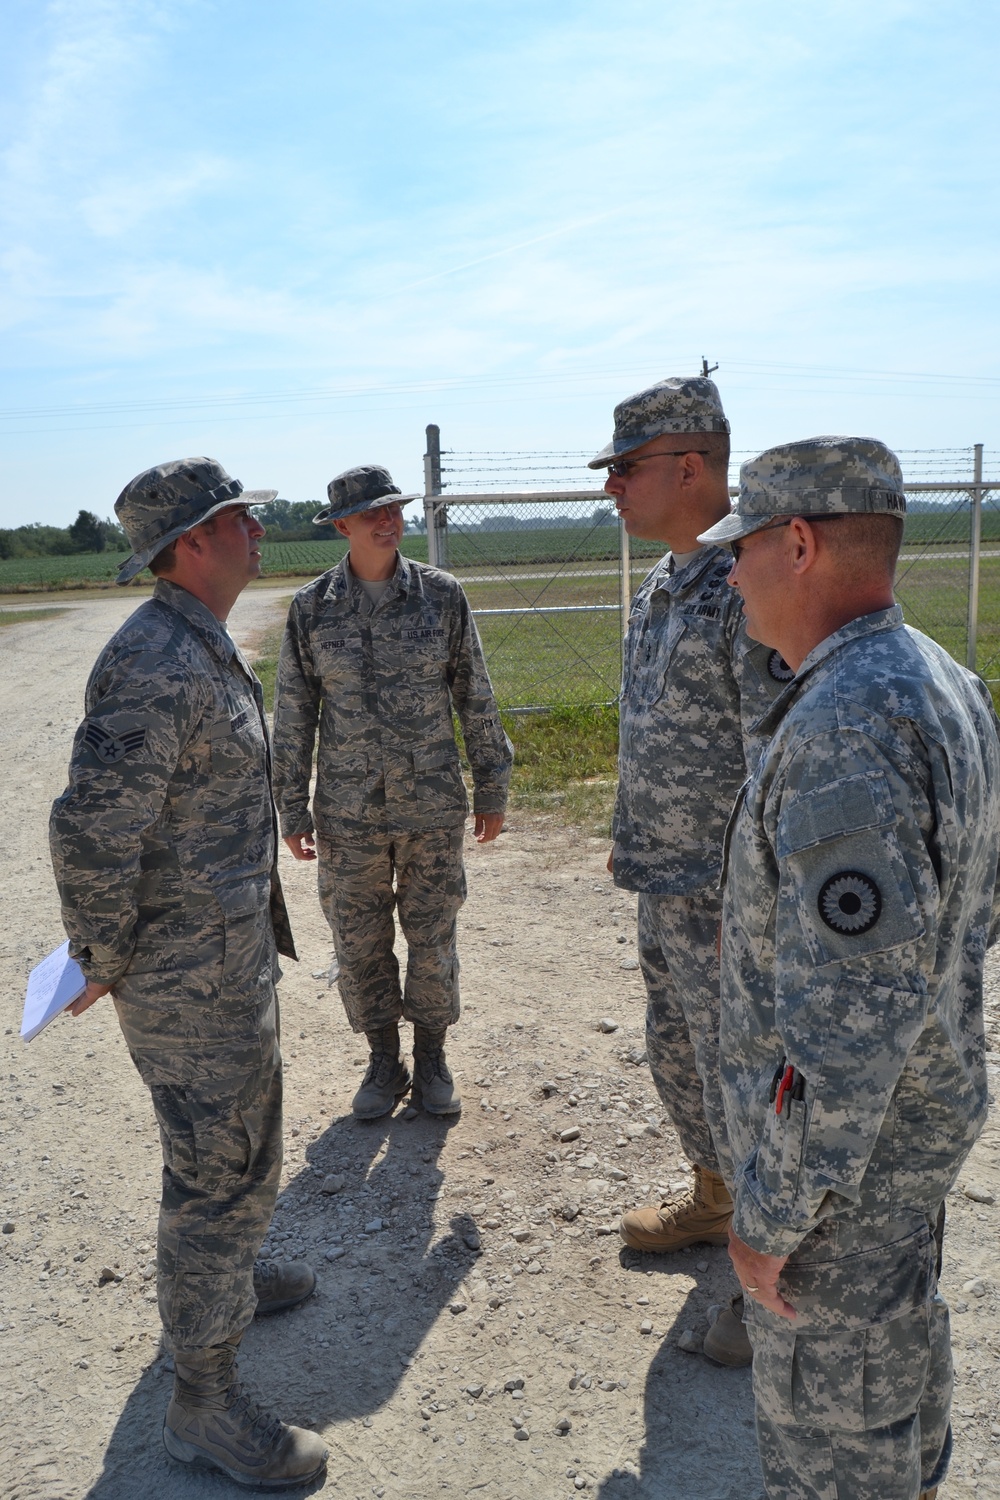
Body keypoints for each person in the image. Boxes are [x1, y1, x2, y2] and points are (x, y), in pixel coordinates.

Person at [698, 435, 1000, 1500]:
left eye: (741, 548)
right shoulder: (939, 679)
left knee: (838, 1432)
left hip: (844, 1172)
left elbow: (850, 1026)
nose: (727, 572)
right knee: (896, 1357)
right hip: (911, 1133)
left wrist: (768, 1217)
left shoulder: (843, 725)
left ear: (798, 543)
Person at [49, 458, 328, 1490]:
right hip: (185, 981)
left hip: (224, 965)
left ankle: (234, 1279)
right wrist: (101, 957)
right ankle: (203, 1405)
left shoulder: (194, 643)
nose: (259, 528)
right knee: (214, 1172)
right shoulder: (157, 660)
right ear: (195, 541)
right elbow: (88, 832)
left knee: (242, 1147)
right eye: (241, 517)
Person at [588, 376, 784, 1365]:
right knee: (681, 1052)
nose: (612, 488)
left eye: (625, 468)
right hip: (664, 877)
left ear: (689, 466)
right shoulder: (662, 582)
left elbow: (779, 754)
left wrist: (756, 895)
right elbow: (653, 727)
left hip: (728, 893)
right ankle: (713, 1202)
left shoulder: (752, 584)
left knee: (753, 1078)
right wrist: (632, 828)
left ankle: (777, 1284)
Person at [272, 463, 513, 1120]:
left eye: (395, 509)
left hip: (431, 804)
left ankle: (432, 1056)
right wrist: (290, 805)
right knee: (358, 940)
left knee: (432, 936)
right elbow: (294, 717)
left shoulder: (441, 596)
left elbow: (475, 694)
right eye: (373, 514)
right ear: (343, 526)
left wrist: (492, 783)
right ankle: (385, 1059)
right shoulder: (311, 610)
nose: (388, 521)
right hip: (348, 814)